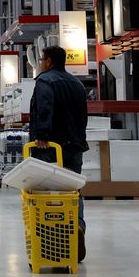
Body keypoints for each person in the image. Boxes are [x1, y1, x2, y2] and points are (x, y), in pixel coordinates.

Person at [29, 45, 89, 263]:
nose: (40, 64)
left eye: (42, 60)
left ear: (49, 61)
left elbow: (45, 107)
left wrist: (42, 134)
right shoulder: (77, 84)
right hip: (75, 145)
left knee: (47, 192)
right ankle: (77, 228)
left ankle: (52, 239)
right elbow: (83, 116)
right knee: (74, 191)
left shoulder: (45, 81)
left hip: (50, 147)